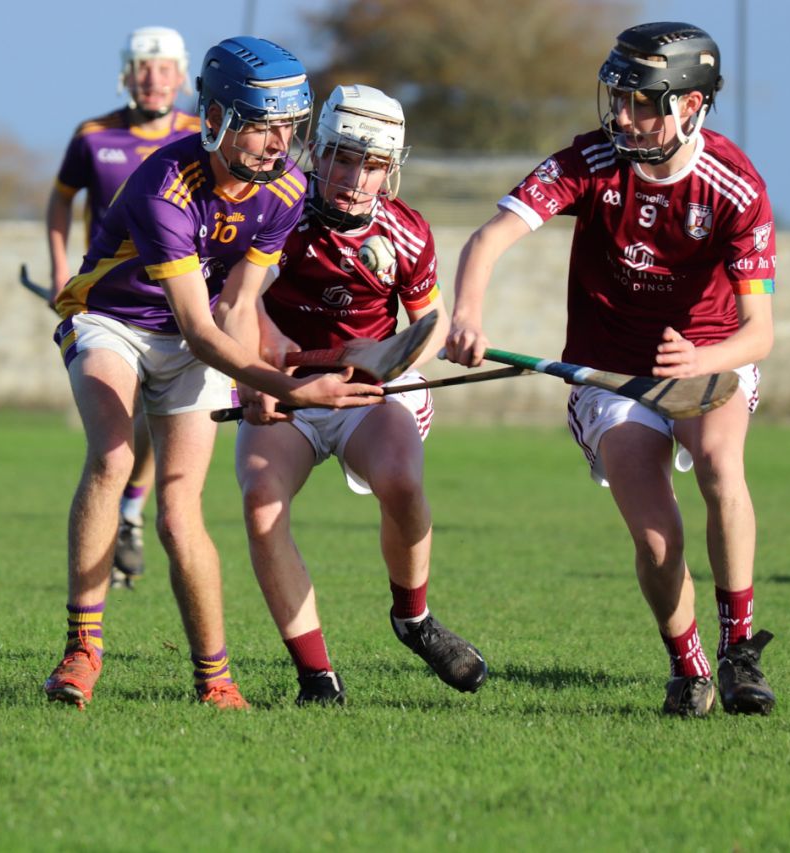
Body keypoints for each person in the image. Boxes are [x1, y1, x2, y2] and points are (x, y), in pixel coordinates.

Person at [43, 36, 384, 710]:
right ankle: (82, 649)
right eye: (261, 126)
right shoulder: (165, 186)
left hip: (191, 335)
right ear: (219, 120)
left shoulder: (286, 189)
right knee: (113, 458)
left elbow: (237, 304)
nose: (277, 143)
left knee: (178, 514)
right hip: (112, 320)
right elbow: (199, 327)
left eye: (289, 127)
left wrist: (257, 384)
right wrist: (286, 384)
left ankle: (215, 679)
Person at [446, 22, 777, 717]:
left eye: (643, 102)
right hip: (607, 374)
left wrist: (700, 359)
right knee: (657, 532)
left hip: (709, 357)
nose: (621, 115)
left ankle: (739, 648)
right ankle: (689, 666)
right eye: (618, 97)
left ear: (689, 105)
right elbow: (490, 237)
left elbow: (759, 334)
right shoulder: (590, 161)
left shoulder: (734, 186)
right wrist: (468, 315)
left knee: (720, 466)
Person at [234, 84, 487, 706]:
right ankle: (316, 676)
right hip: (286, 387)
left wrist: (409, 349)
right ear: (318, 153)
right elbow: (237, 306)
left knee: (401, 480)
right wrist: (258, 374)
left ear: (390, 170)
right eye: (344, 159)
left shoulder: (407, 232)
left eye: (372, 166)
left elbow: (426, 325)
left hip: (367, 392)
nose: (354, 178)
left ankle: (414, 619)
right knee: (262, 503)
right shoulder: (275, 211)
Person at [46, 26, 201, 589]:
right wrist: (60, 269)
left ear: (182, 77)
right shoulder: (93, 136)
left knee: (156, 425)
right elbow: (60, 200)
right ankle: (126, 513)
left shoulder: (204, 137)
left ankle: (130, 512)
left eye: (164, 68)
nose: (154, 79)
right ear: (126, 72)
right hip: (112, 306)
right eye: (143, 67)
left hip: (181, 301)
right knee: (120, 426)